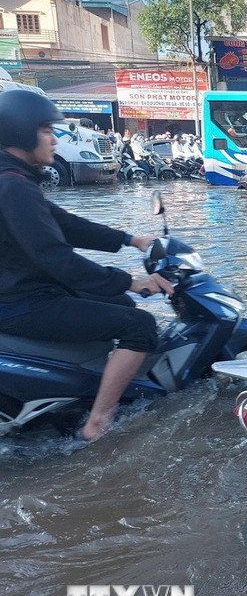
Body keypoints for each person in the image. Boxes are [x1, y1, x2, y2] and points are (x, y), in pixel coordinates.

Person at [0, 90, 175, 440]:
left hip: (23, 292)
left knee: (119, 305)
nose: (54, 139)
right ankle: (97, 424)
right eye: (47, 130)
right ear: (21, 132)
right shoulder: (13, 186)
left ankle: (87, 384)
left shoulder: (15, 180)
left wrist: (131, 239)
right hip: (22, 302)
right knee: (140, 325)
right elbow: (56, 257)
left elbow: (65, 224)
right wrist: (129, 280)